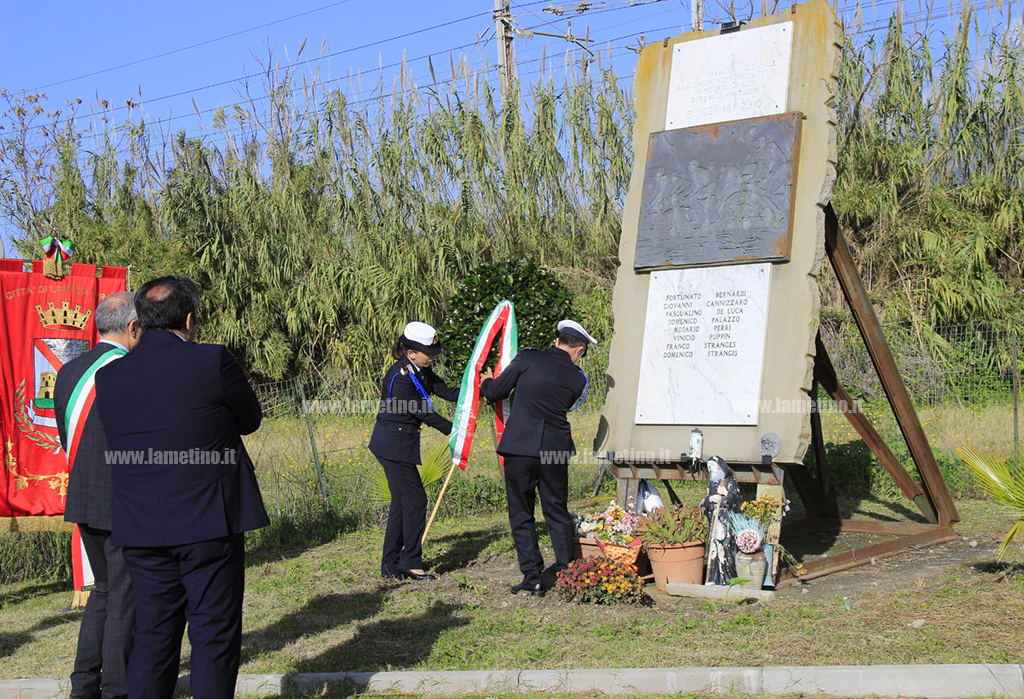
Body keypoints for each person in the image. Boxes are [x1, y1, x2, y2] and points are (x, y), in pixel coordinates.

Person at [94, 276, 269, 699]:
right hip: (208, 522)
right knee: (212, 636)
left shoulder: (110, 377)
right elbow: (250, 419)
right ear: (189, 319)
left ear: (140, 321)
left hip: (141, 527)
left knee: (153, 638)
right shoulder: (211, 361)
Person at [55, 292, 141, 699]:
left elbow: (66, 437)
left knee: (103, 593)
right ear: (132, 327)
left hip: (84, 496)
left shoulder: (69, 371)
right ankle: (116, 689)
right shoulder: (130, 370)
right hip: (121, 499)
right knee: (123, 598)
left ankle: (83, 686)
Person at [479, 319, 597, 597]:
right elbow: (563, 404)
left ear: (557, 342)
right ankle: (566, 571)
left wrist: (486, 383)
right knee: (556, 509)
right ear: (579, 350)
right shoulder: (579, 379)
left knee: (522, 512)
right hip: (555, 448)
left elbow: (496, 392)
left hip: (521, 447)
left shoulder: (528, 358)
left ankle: (532, 576)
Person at [368, 321, 459, 580]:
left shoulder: (420, 370)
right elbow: (424, 413)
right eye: (428, 354)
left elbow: (447, 392)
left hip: (402, 444)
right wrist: (455, 431)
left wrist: (479, 389)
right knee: (416, 501)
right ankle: (410, 561)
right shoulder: (400, 378)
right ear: (411, 353)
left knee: (402, 503)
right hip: (392, 446)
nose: (432, 358)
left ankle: (390, 564)